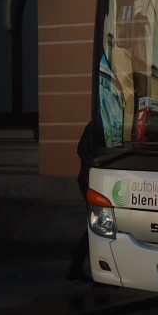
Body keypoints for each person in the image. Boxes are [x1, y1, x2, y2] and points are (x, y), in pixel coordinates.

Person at [66, 121, 96, 282]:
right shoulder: (96, 125)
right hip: (91, 181)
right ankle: (76, 268)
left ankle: (75, 268)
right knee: (97, 225)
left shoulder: (98, 124)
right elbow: (84, 152)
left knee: (96, 225)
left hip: (91, 180)